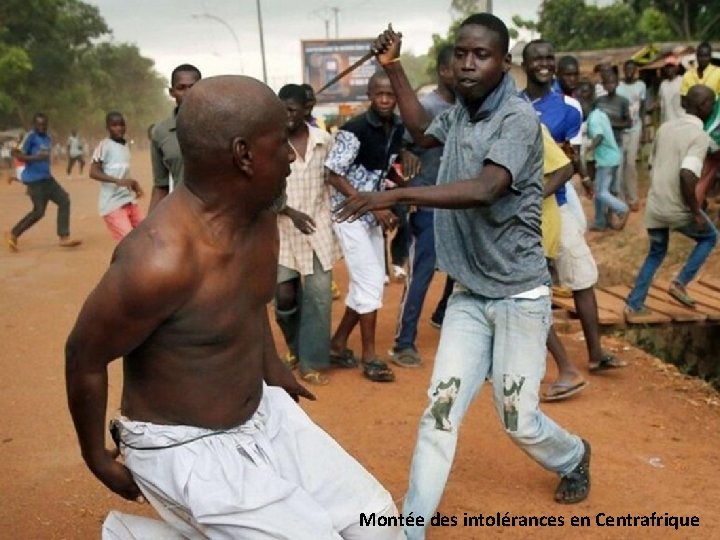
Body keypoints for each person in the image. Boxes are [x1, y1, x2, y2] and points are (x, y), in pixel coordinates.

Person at [66, 75, 403, 540]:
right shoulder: (157, 262)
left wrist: (271, 366)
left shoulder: (260, 217)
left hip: (263, 416)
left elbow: (249, 301)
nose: (291, 154)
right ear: (244, 154)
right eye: (280, 141)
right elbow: (83, 358)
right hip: (184, 447)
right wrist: (98, 459)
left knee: (382, 526)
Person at [338, 16, 591, 538]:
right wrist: (394, 67)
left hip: (520, 295)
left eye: (482, 55)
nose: (468, 63)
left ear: (504, 63)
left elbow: (486, 188)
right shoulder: (458, 117)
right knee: (441, 409)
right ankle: (412, 527)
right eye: (461, 54)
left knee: (517, 418)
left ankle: (572, 455)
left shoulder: (517, 120)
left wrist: (396, 194)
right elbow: (418, 130)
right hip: (470, 295)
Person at [521, 40, 622, 397]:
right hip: (519, 210)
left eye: (550, 58)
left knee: (581, 275)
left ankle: (595, 354)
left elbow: (570, 156)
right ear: (525, 64)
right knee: (527, 286)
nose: (545, 64)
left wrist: (586, 181)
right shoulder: (511, 104)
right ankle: (549, 366)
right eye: (539, 59)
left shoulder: (570, 108)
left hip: (557, 203)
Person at [324, 70, 405, 383]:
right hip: (348, 213)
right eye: (379, 94)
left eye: (390, 94)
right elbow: (333, 174)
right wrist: (372, 203)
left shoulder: (397, 127)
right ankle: (369, 356)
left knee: (365, 282)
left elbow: (388, 166)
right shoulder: (354, 129)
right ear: (370, 96)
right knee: (371, 280)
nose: (384, 100)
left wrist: (390, 196)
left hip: (371, 213)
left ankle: (338, 343)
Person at [625, 85, 718, 321]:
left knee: (656, 253)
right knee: (709, 237)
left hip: (655, 206)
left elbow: (653, 163)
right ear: (703, 107)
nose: (713, 107)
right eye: (711, 103)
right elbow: (687, 174)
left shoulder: (664, 128)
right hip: (677, 208)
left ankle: (634, 304)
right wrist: (695, 211)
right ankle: (680, 282)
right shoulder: (699, 136)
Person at [388, 44, 455, 368]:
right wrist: (404, 154)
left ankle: (443, 314)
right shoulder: (426, 106)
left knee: (462, 268)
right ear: (444, 71)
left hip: (460, 202)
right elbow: (396, 138)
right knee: (422, 273)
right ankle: (403, 343)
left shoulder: (470, 109)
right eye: (460, 65)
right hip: (427, 201)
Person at [274, 84, 339, 385]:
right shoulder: (271, 145)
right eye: (281, 109)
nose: (285, 116)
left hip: (318, 229)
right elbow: (262, 190)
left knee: (318, 298)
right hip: (282, 231)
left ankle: (312, 361)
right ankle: (295, 347)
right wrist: (288, 211)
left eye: (291, 110)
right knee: (284, 296)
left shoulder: (324, 141)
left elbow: (334, 180)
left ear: (306, 111)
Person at [5, 113, 81, 252]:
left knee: (64, 200)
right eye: (39, 124)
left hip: (47, 179)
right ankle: (13, 234)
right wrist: (35, 157)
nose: (41, 127)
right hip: (34, 181)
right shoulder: (30, 137)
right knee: (39, 212)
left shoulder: (47, 138)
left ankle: (64, 237)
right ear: (34, 124)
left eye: (44, 124)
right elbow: (15, 153)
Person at [148, 64, 202, 212]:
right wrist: (148, 227)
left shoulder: (222, 125)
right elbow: (161, 186)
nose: (188, 93)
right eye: (181, 88)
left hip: (222, 218)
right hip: (184, 215)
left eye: (193, 87)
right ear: (172, 92)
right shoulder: (161, 132)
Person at [577, 82, 629, 231]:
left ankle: (622, 209)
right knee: (600, 191)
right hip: (611, 157)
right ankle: (600, 222)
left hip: (606, 160)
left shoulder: (593, 119)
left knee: (601, 192)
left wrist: (588, 148)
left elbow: (599, 136)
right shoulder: (600, 114)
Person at [89, 112, 145, 241]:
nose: (119, 128)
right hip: (113, 205)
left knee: (146, 236)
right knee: (128, 243)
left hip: (128, 200)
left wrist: (134, 184)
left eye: (121, 125)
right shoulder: (105, 145)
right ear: (108, 127)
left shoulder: (125, 146)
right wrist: (116, 181)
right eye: (114, 125)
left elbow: (122, 172)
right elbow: (93, 172)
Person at [595, 69, 631, 199]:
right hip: (601, 147)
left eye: (612, 82)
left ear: (617, 84)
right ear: (603, 85)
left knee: (616, 180)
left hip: (616, 145)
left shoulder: (623, 101)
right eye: (607, 83)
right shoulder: (599, 101)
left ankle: (615, 210)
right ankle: (605, 215)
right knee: (602, 181)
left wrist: (609, 125)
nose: (609, 85)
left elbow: (628, 123)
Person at [617, 59, 646, 211]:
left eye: (632, 69)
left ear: (635, 70)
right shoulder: (618, 86)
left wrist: (645, 130)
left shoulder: (641, 85)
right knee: (620, 165)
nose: (629, 71)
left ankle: (633, 198)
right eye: (626, 68)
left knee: (631, 164)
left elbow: (642, 107)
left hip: (636, 128)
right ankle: (621, 199)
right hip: (621, 130)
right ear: (623, 69)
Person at [653, 55, 684, 124]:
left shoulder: (682, 81)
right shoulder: (663, 84)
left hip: (680, 121)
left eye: (672, 66)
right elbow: (661, 101)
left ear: (677, 68)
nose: (669, 69)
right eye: (667, 67)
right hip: (666, 122)